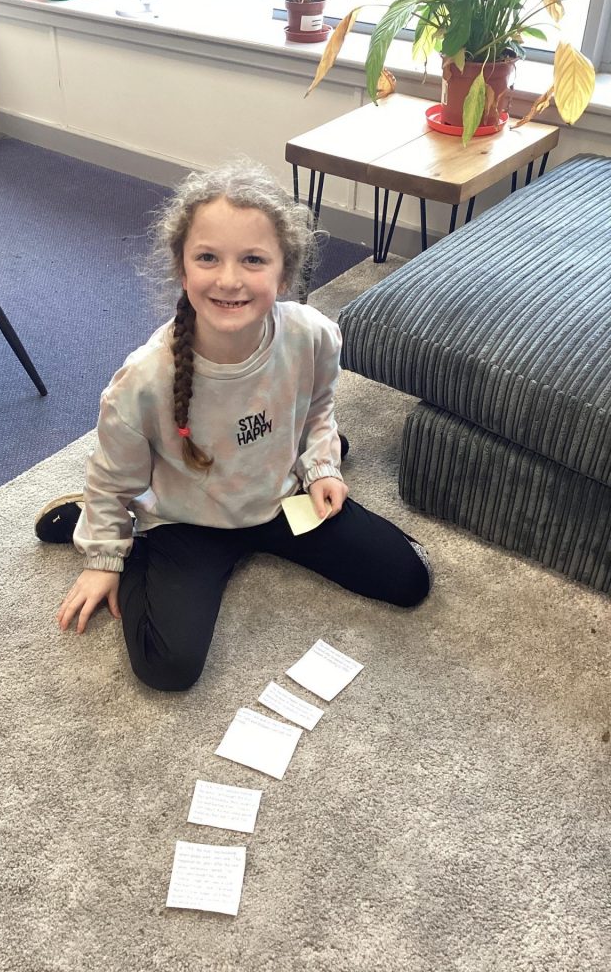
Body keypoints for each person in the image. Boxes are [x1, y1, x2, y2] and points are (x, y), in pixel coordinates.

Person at [36, 160, 432, 691]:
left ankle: (306, 473)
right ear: (182, 270)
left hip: (278, 499)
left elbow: (318, 409)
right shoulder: (143, 380)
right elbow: (112, 476)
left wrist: (321, 466)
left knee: (410, 579)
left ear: (284, 275)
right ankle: (101, 526)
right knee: (166, 667)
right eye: (208, 257)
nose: (228, 279)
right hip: (187, 520)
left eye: (253, 259)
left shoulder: (313, 334)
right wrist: (105, 557)